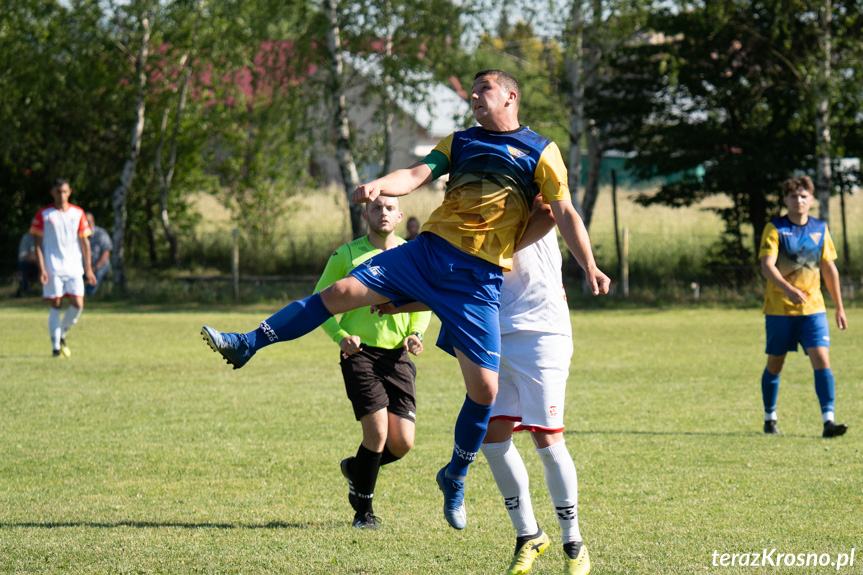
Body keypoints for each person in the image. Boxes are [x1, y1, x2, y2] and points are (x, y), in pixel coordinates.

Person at [201, 69, 610, 530]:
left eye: (485, 90)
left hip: (478, 280)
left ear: (511, 96)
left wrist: (589, 264)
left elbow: (564, 211)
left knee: (485, 392)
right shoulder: (459, 141)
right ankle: (247, 342)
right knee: (338, 292)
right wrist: (380, 185)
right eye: (472, 90)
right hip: (426, 254)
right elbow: (415, 174)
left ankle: (454, 475)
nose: (474, 96)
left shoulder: (541, 149)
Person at [315, 196, 431, 530]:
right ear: (365, 214)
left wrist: (415, 334)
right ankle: (363, 513)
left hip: (398, 356)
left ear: (400, 216)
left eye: (389, 208)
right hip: (359, 354)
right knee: (377, 433)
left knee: (402, 442)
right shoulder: (346, 255)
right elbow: (317, 304)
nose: (383, 213)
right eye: (376, 208)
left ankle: (356, 469)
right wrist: (341, 337)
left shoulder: (413, 252)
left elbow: (425, 301)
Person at [758, 175, 848, 438]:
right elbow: (767, 265)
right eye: (793, 196)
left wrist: (839, 307)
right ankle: (769, 415)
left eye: (803, 196)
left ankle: (828, 421)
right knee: (776, 363)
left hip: (813, 310)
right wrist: (789, 289)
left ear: (811, 200)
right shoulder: (775, 229)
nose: (798, 200)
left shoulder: (820, 229)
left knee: (822, 359)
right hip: (780, 310)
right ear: (785, 200)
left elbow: (830, 270)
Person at [30, 178, 96, 357]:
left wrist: (88, 269)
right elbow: (37, 244)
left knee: (78, 304)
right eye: (58, 191)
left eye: (65, 191)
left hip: (74, 267)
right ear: (53, 193)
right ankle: (55, 347)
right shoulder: (44, 214)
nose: (62, 195)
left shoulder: (77, 213)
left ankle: (61, 333)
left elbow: (85, 243)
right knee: (56, 303)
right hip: (53, 267)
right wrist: (42, 268)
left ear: (70, 192)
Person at [84, 212, 112, 296]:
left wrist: (95, 267)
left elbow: (106, 252)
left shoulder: (101, 234)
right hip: (84, 266)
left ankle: (88, 295)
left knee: (98, 274)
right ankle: (72, 295)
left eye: (88, 222)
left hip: (100, 266)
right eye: (84, 222)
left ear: (93, 222)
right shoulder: (80, 235)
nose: (87, 224)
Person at [16, 231, 38, 297]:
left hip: (41, 263)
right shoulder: (27, 237)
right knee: (23, 265)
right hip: (29, 263)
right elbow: (23, 255)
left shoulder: (45, 236)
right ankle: (24, 289)